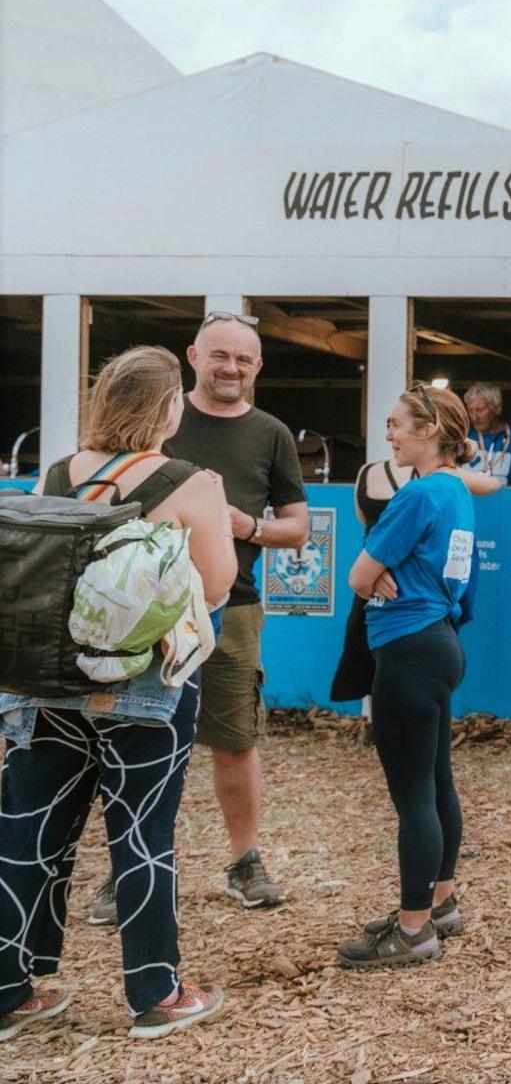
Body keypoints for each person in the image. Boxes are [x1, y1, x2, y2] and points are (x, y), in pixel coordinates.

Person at [0, 346, 235, 1041]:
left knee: (26, 830)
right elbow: (217, 586)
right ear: (168, 409)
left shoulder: (59, 472)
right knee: (140, 836)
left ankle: (10, 992)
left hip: (45, 682)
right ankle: (155, 995)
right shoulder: (194, 482)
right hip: (144, 688)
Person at [137, 310, 308, 917]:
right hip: (147, 610)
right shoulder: (160, 422)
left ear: (257, 366)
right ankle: (132, 866)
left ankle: (244, 861)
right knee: (144, 737)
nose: (231, 368)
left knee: (235, 742)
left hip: (231, 610)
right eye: (220, 356)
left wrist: (249, 526)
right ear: (193, 356)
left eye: (243, 359)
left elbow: (298, 528)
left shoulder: (271, 434)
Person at [337, 384, 479, 968]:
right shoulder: (457, 492)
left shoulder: (417, 496)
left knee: (414, 794)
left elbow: (356, 574)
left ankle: (413, 929)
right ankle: (439, 903)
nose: (389, 435)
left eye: (397, 424)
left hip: (408, 647)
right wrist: (379, 573)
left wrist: (374, 574)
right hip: (440, 641)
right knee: (437, 780)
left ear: (429, 430)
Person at [329, 457, 503, 733]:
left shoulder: (430, 481)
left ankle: (397, 727)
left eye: (396, 425)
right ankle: (386, 726)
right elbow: (492, 483)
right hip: (382, 580)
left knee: (403, 659)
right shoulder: (435, 480)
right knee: (378, 655)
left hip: (401, 586)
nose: (391, 434)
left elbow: (367, 523)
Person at [463, 382, 511, 486]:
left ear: (497, 408)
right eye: (470, 410)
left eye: (480, 410)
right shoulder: (462, 440)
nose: (474, 417)